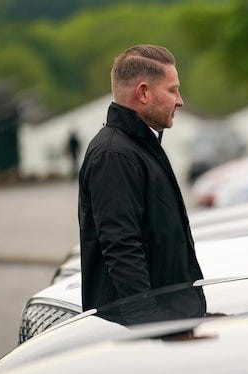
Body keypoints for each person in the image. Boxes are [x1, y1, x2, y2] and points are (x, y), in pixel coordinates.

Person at [78, 44, 204, 312]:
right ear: (144, 92)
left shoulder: (140, 146)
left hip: (169, 327)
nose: (179, 100)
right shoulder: (114, 155)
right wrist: (153, 327)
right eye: (172, 90)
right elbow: (122, 249)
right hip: (143, 338)